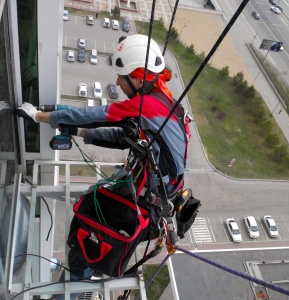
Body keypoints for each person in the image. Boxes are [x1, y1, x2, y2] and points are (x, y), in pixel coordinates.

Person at [16, 34, 189, 295]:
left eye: (123, 77)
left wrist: (40, 116)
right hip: (150, 195)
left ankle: (77, 286)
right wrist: (77, 130)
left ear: (140, 79)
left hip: (146, 203)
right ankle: (83, 274)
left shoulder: (147, 106)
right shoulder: (165, 104)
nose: (118, 83)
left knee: (86, 228)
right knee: (93, 210)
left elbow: (96, 116)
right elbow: (124, 137)